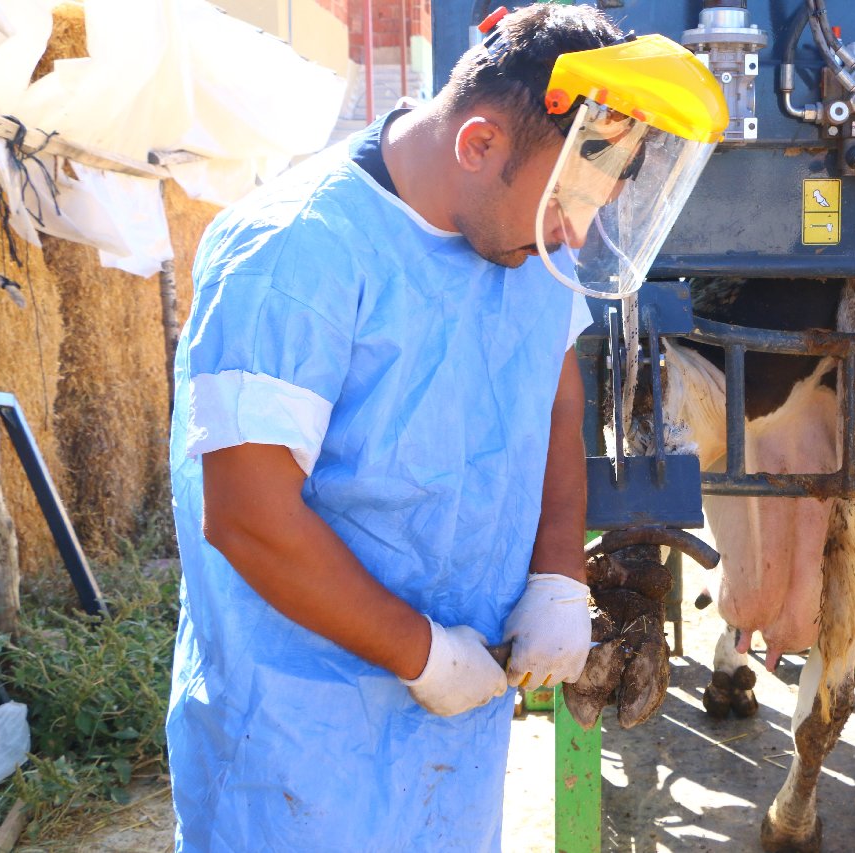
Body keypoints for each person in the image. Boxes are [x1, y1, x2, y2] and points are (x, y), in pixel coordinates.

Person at [165, 3, 725, 850]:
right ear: (478, 144)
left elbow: (554, 387)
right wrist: (418, 650)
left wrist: (558, 572)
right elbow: (248, 514)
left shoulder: (532, 238)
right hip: (298, 743)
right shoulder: (292, 253)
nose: (575, 230)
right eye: (570, 198)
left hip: (454, 732)